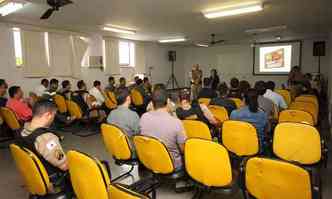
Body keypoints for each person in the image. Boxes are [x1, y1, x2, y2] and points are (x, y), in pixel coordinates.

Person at [16, 100, 72, 195]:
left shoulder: (22, 130)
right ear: (48, 115)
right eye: (54, 115)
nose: (54, 118)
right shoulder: (46, 138)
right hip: (53, 179)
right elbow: (64, 166)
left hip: (35, 174)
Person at [140, 89, 187, 169]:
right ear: (168, 101)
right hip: (172, 165)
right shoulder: (176, 122)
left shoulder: (143, 117)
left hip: (150, 160)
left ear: (152, 103)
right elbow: (184, 149)